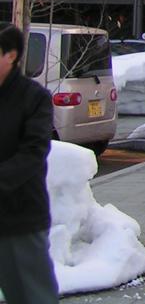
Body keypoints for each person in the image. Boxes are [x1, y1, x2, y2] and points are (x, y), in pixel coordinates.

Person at [0, 23, 59, 304]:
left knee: (31, 295)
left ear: (10, 55)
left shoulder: (33, 97)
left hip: (20, 217)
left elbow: (33, 153)